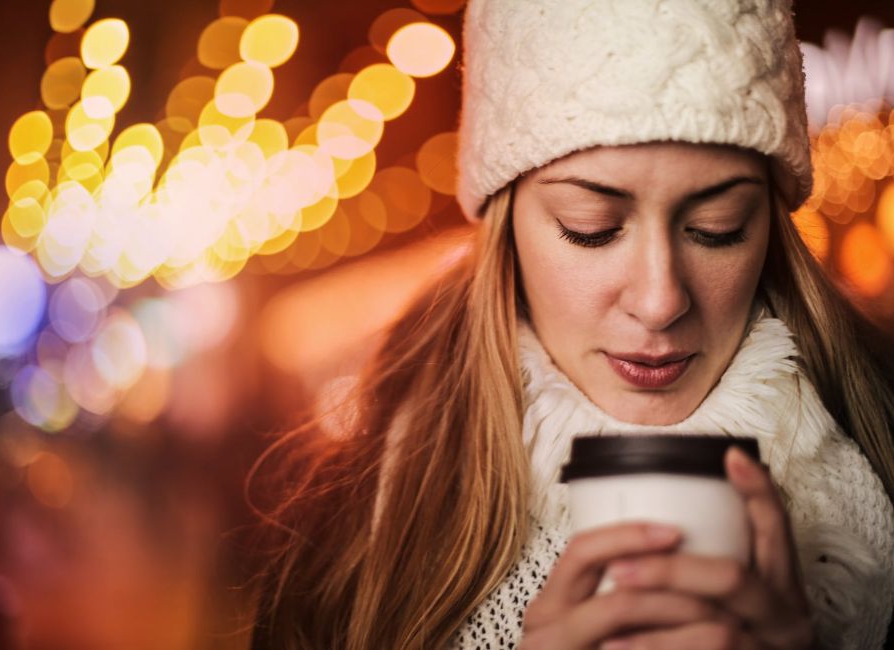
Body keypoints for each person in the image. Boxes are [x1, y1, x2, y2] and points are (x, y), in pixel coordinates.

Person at [248, 0, 894, 648]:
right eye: (591, 229)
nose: (660, 299)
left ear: (773, 230)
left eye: (716, 229)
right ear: (507, 230)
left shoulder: (881, 450)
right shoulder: (359, 541)